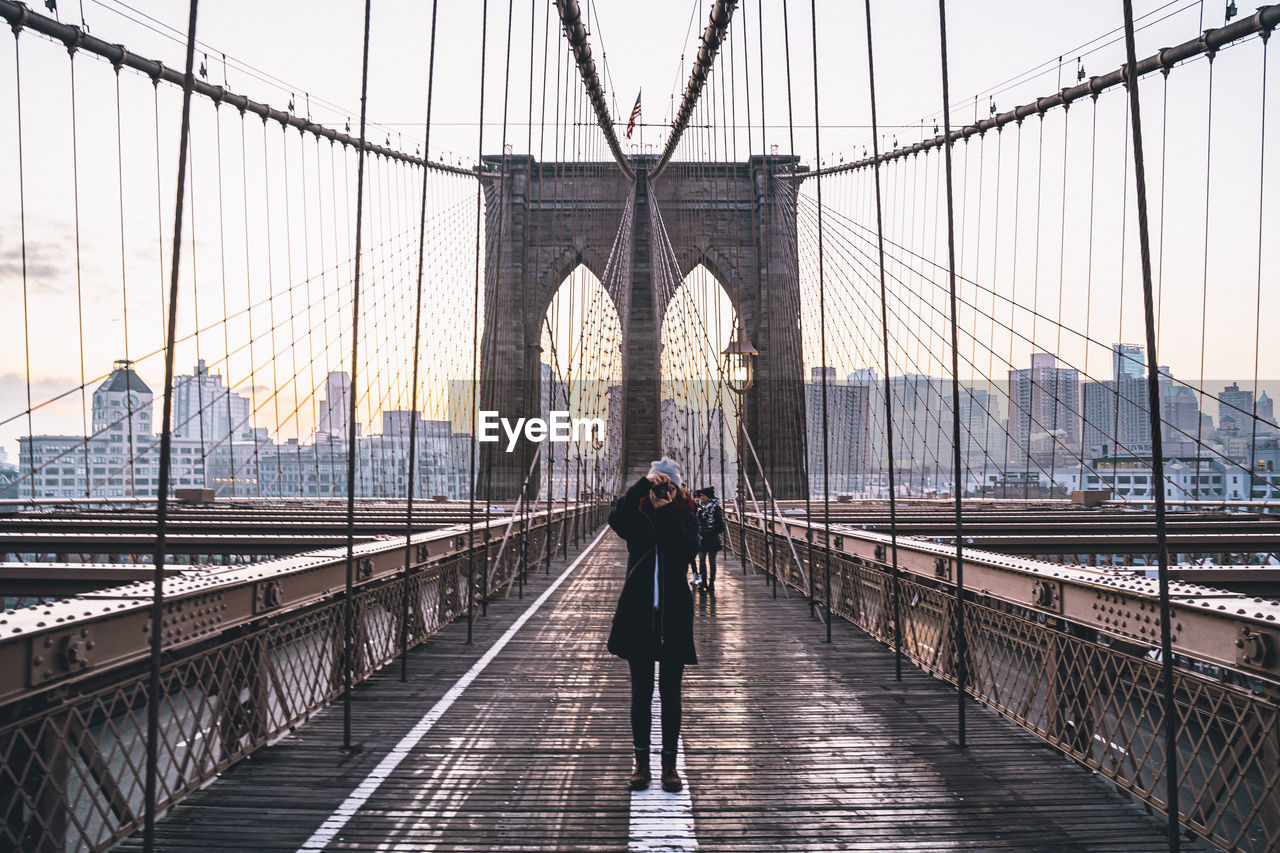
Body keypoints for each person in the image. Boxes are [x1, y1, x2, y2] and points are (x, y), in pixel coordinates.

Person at [607, 457, 699, 793]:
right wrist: (642, 485)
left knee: (671, 693)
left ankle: (670, 767)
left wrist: (667, 511)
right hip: (639, 613)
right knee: (641, 692)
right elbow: (614, 519)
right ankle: (642, 764)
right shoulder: (638, 515)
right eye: (659, 484)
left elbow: (687, 549)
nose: (663, 490)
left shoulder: (688, 513)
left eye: (668, 486)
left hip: (673, 614)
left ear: (678, 488)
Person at [695, 487, 725, 593]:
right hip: (702, 539)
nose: (701, 498)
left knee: (712, 562)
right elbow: (697, 522)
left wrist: (709, 532)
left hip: (712, 539)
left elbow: (721, 526)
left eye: (703, 496)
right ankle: (703, 583)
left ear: (708, 497)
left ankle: (711, 583)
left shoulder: (716, 508)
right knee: (702, 562)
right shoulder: (699, 508)